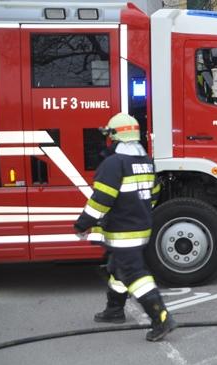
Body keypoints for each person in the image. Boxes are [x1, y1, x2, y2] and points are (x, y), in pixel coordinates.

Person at [74, 112, 176, 342]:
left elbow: (101, 200)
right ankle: (114, 310)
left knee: (133, 273)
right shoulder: (146, 161)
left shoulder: (113, 164)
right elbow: (154, 193)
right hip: (140, 227)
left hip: (123, 231)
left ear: (114, 136)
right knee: (117, 266)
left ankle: (161, 318)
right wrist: (138, 210)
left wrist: (82, 224)